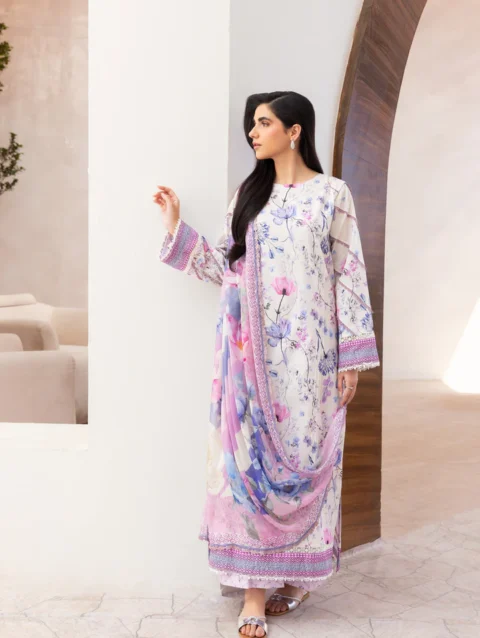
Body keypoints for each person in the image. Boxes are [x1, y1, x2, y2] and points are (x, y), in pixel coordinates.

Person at [153, 91, 380, 638]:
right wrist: (176, 227)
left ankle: (297, 577)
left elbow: (348, 274)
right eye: (252, 125)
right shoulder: (248, 196)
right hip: (248, 362)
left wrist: (350, 358)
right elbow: (223, 266)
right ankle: (253, 593)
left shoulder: (332, 194)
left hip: (311, 361)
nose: (253, 133)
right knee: (250, 468)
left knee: (307, 460)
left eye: (263, 123)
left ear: (294, 130)